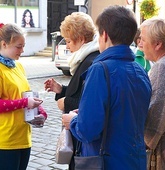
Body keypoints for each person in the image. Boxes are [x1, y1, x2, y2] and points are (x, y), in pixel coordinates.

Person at [62, 5, 152, 170]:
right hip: (135, 160)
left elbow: (88, 130)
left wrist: (73, 121)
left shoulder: (100, 70)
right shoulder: (140, 69)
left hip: (107, 161)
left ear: (104, 35)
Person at [44, 12, 99, 169]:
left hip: (83, 137)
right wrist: (61, 89)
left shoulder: (90, 61)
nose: (67, 46)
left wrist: (66, 102)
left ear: (81, 39)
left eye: (68, 41)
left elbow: (89, 102)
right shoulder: (86, 57)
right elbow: (81, 91)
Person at [0, 23, 47, 170]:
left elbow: (27, 94)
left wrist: (41, 112)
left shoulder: (18, 66)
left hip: (23, 137)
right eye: (18, 46)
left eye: (23, 46)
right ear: (4, 44)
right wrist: (25, 102)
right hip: (6, 140)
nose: (22, 50)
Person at [140, 17, 165, 170]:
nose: (140, 44)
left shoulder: (164, 67)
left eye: (143, 40)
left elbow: (159, 112)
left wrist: (144, 140)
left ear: (158, 44)